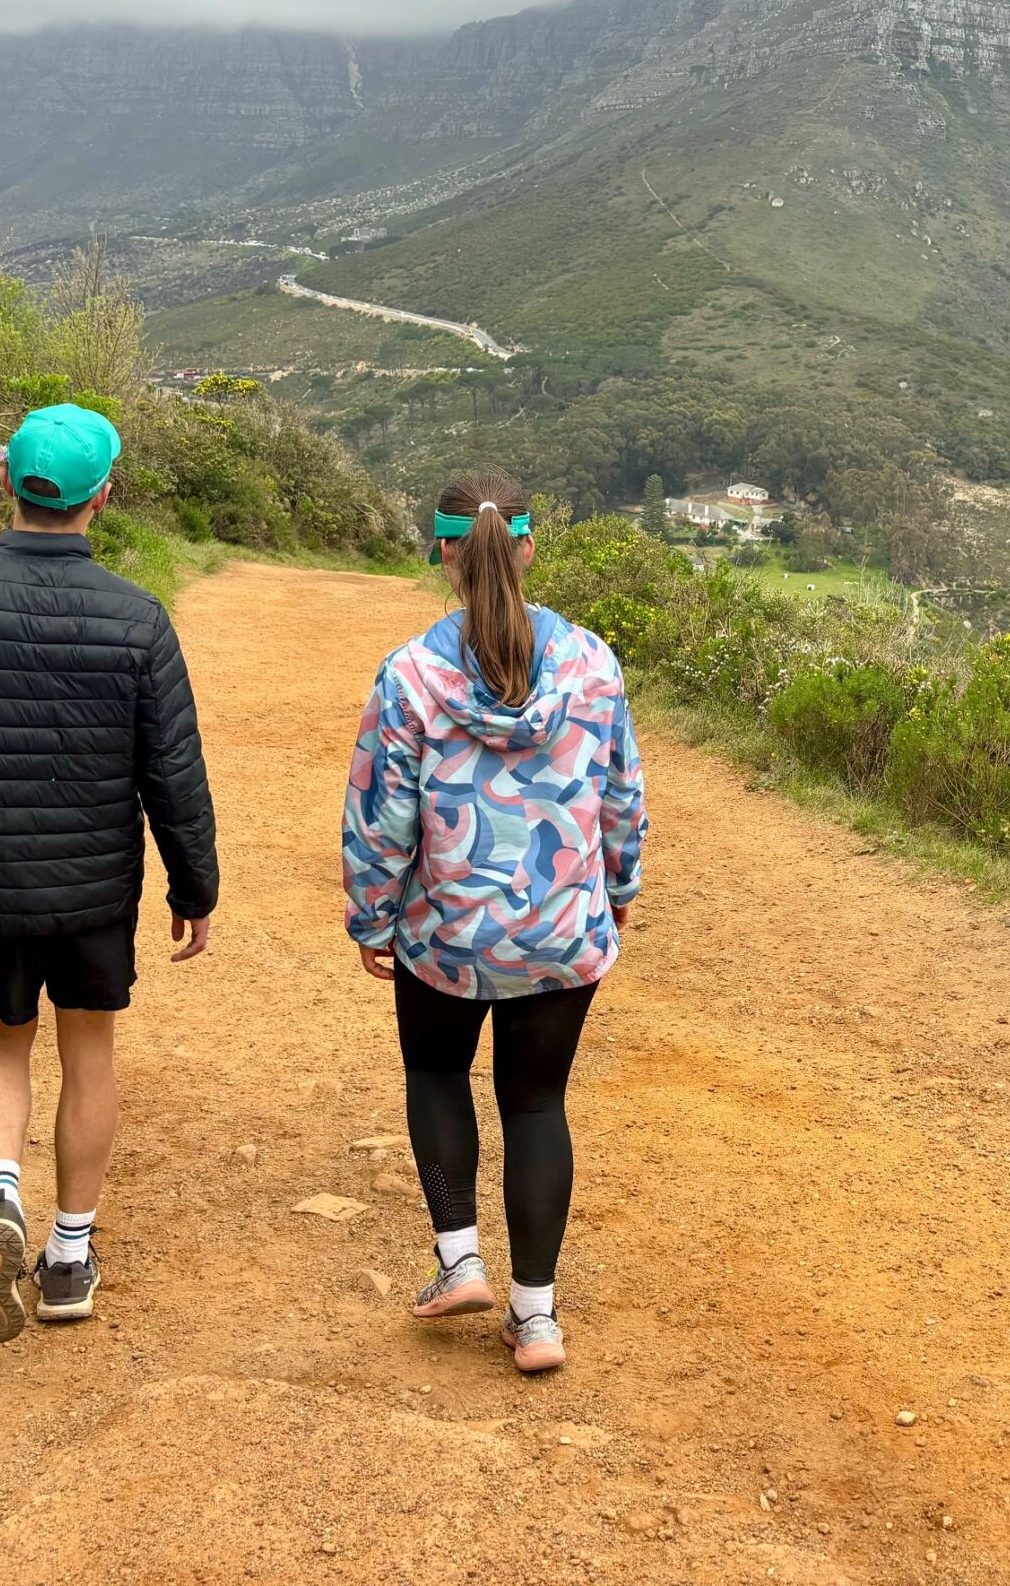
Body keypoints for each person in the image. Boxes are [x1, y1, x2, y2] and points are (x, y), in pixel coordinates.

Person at [0, 403, 218, 1343]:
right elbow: (171, 771)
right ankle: (68, 1258)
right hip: (92, 887)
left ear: (5, 483)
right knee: (88, 1051)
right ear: (101, 498)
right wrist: (195, 887)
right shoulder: (137, 618)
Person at [341, 470, 645, 1374]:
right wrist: (615, 890)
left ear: (444, 554)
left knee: (436, 1074)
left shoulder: (412, 675)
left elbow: (380, 814)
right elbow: (621, 796)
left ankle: (459, 1259)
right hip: (562, 934)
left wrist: (372, 916)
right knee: (538, 1104)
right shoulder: (593, 661)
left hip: (447, 935)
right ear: (528, 546)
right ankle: (537, 1318)